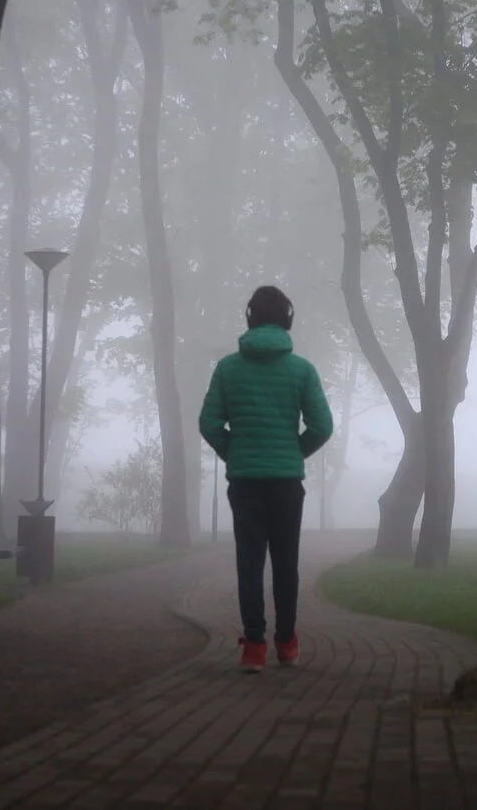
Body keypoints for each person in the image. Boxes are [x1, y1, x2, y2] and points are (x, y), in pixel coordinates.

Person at [199, 285, 333, 673]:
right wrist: (293, 453)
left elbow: (209, 423)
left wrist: (236, 452)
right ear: (287, 319)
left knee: (250, 562)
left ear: (250, 317)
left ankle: (253, 648)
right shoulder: (302, 370)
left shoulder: (228, 368)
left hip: (245, 482)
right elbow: (322, 426)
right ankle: (287, 643)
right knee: (285, 563)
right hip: (286, 483)